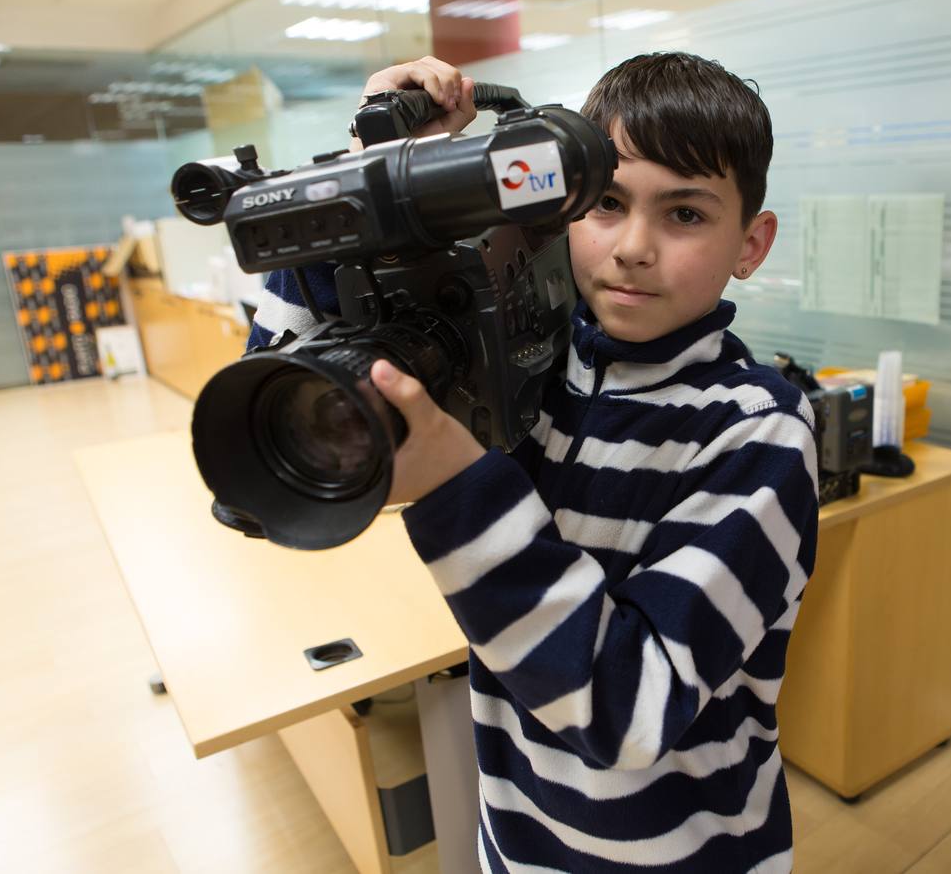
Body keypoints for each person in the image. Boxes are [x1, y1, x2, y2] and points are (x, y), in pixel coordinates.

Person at [251, 53, 819, 872]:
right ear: (562, 209)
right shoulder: (530, 369)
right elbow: (287, 385)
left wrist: (456, 485)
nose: (632, 247)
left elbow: (630, 710)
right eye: (609, 203)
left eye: (685, 215)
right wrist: (375, 174)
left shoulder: (759, 431)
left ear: (751, 243)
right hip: (518, 847)